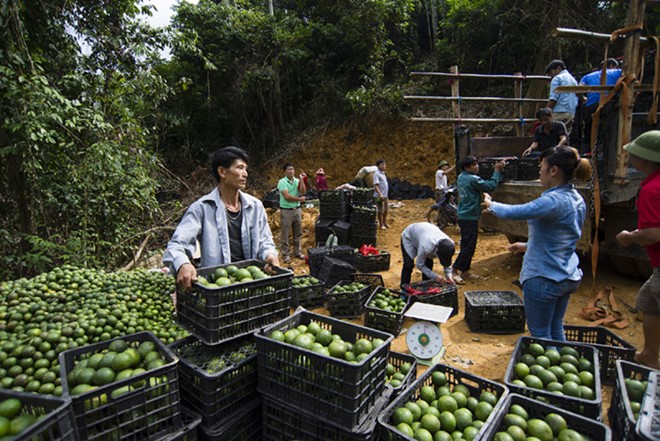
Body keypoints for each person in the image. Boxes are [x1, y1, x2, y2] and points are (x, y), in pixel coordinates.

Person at [483, 146, 591, 341]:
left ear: (554, 170)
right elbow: (561, 236)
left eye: (542, 166)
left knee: (540, 334)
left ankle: (551, 367)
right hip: (566, 274)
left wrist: (492, 205)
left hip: (544, 277)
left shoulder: (552, 200)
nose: (539, 171)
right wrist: (526, 246)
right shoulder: (576, 198)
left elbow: (515, 212)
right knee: (556, 327)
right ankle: (559, 366)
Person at [163, 146, 279, 291]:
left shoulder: (255, 206)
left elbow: (265, 241)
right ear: (222, 171)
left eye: (246, 169)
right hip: (217, 288)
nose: (245, 174)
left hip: (252, 284)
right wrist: (183, 264)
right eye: (240, 168)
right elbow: (176, 245)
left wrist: (269, 254)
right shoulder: (202, 208)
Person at [615, 131, 660, 369]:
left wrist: (630, 237)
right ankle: (650, 355)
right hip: (657, 267)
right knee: (648, 301)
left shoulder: (652, 190)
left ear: (646, 158)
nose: (629, 154)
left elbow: (654, 234)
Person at [452, 156, 506, 284]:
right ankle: (454, 270)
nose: (477, 167)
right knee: (468, 246)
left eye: (477, 164)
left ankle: (465, 271)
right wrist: (497, 171)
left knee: (467, 244)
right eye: (474, 165)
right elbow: (490, 186)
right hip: (469, 217)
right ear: (467, 167)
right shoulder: (473, 179)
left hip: (464, 216)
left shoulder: (461, 177)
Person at [579, 58, 622, 153]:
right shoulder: (617, 71)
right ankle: (607, 154)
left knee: (588, 134)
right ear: (612, 66)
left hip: (591, 106)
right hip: (607, 105)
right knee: (610, 133)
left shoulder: (587, 76)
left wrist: (583, 99)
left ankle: (586, 156)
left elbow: (579, 90)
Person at [400, 222, 456, 288]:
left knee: (428, 263)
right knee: (408, 264)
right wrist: (435, 277)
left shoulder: (450, 244)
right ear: (437, 250)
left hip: (424, 234)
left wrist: (449, 277)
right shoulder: (426, 246)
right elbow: (419, 264)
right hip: (409, 236)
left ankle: (426, 287)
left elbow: (447, 263)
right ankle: (404, 289)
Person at [278, 163, 307, 264]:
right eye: (289, 169)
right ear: (285, 172)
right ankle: (285, 255)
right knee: (285, 233)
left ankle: (297, 252)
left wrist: (302, 180)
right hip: (286, 210)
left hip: (297, 210)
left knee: (298, 233)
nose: (291, 171)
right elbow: (287, 196)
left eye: (292, 169)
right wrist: (299, 199)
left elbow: (303, 191)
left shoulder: (297, 181)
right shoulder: (282, 182)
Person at [545, 59, 578, 135]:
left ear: (558, 68)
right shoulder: (573, 79)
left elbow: (553, 98)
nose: (550, 76)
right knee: (565, 136)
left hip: (559, 112)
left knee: (553, 136)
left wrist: (546, 112)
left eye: (550, 72)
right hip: (571, 112)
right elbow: (577, 94)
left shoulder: (557, 78)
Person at [373, 159, 390, 229]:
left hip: (385, 196)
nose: (384, 166)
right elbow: (376, 186)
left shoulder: (383, 174)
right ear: (378, 166)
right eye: (382, 164)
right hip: (379, 196)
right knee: (380, 210)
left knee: (386, 210)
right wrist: (380, 194)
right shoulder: (377, 174)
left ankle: (385, 223)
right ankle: (381, 224)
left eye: (384, 164)